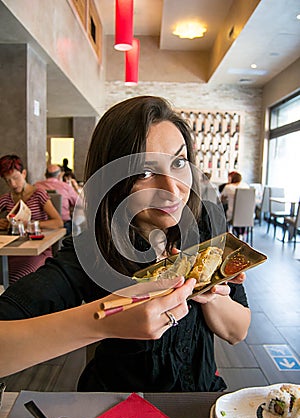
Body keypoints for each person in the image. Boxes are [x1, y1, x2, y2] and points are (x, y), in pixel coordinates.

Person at [0, 97, 250, 392]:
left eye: (178, 163)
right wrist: (105, 320)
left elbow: (237, 331)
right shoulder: (92, 252)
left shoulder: (205, 224)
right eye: (144, 173)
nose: (172, 190)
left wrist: (207, 291)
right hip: (118, 412)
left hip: (201, 400)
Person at [0, 155, 63, 284]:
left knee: (18, 278)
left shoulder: (38, 194)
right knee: (5, 275)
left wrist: (30, 224)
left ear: (24, 173)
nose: (13, 184)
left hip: (38, 251)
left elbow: (58, 222)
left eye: (16, 178)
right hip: (13, 251)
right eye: (8, 181)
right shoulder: (7, 198)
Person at [35, 164, 79, 235]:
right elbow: (79, 203)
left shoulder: (36, 186)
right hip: (64, 225)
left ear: (45, 175)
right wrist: (76, 188)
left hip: (41, 226)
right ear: (60, 175)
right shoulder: (66, 187)